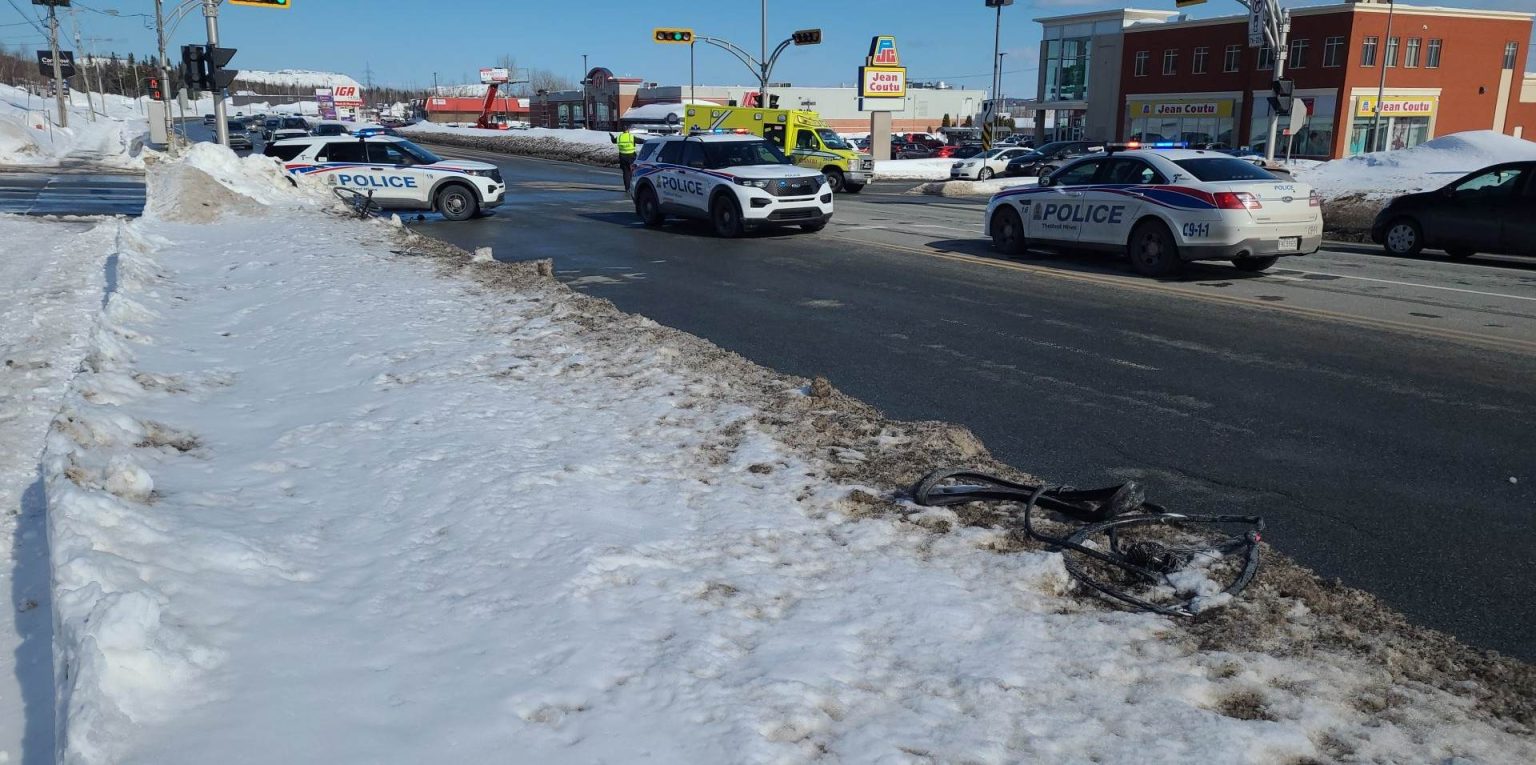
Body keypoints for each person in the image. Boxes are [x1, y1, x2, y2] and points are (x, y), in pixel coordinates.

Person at [611, 127, 640, 191]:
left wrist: (612, 137)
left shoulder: (619, 137)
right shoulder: (631, 137)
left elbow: (613, 141)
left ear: (623, 130)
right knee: (633, 171)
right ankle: (635, 187)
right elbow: (640, 141)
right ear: (628, 130)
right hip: (631, 157)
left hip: (623, 157)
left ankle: (627, 188)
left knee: (626, 173)